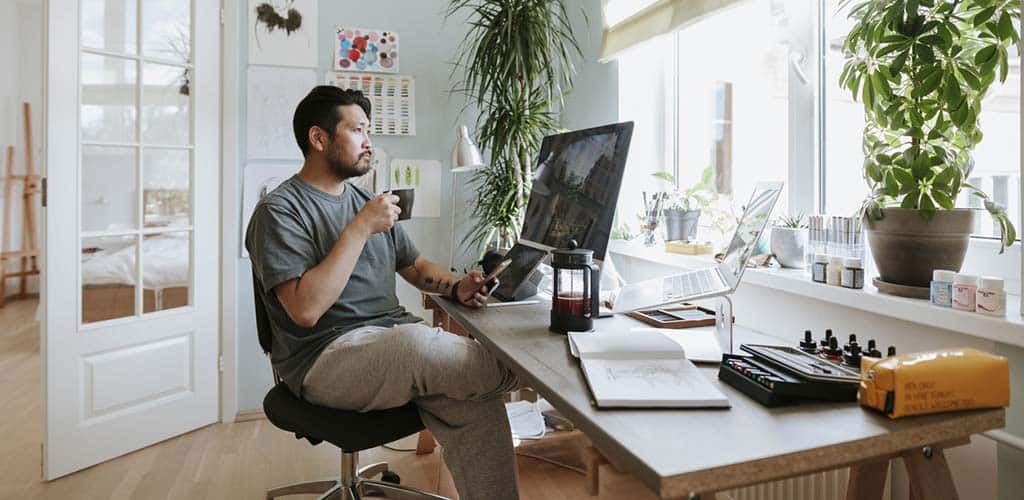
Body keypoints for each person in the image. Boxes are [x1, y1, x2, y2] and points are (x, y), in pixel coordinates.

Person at [245, 86, 520, 499]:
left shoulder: (364, 200)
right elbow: (304, 310)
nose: (369, 142)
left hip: (389, 343)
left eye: (369, 130)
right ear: (319, 139)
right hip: (324, 359)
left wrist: (457, 285)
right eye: (357, 130)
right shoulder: (280, 211)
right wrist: (359, 227)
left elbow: (418, 267)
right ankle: (526, 370)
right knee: (421, 346)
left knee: (473, 400)